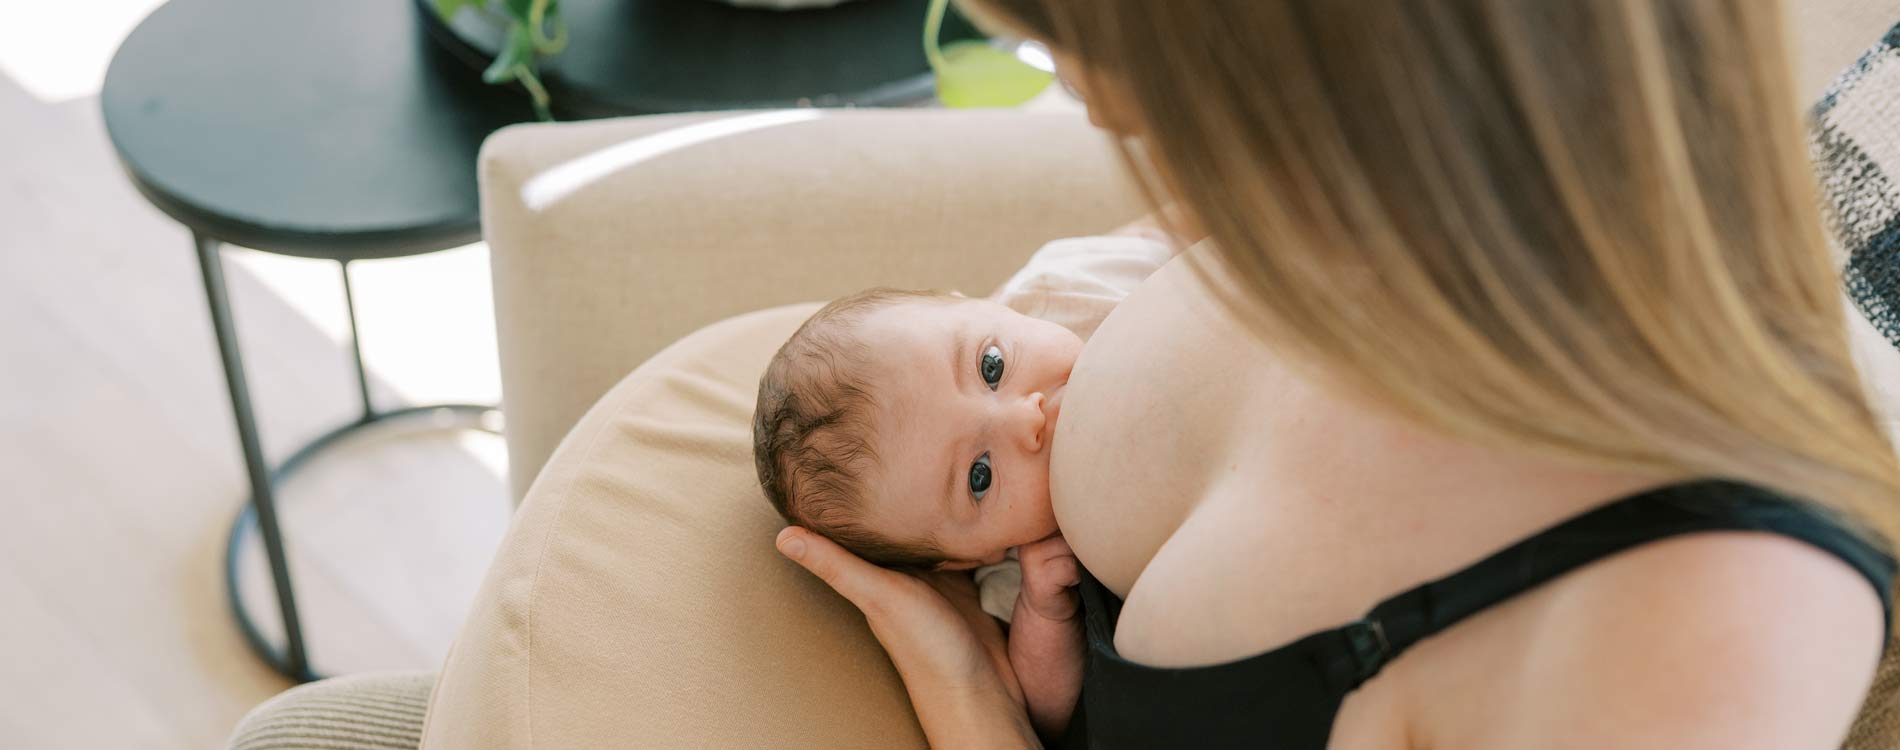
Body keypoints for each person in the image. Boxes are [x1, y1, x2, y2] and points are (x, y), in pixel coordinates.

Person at [773, 1, 1900, 747]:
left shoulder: (1710, 627)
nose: (1097, 102)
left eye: (1095, 43)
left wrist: (971, 710)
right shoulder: (1322, 211)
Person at [752, 232, 1178, 737]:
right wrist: (1046, 612)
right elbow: (1046, 714)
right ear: (971, 556)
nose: (1026, 419)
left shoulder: (1074, 286)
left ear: (978, 304)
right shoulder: (1022, 572)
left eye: (991, 366)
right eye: (981, 477)